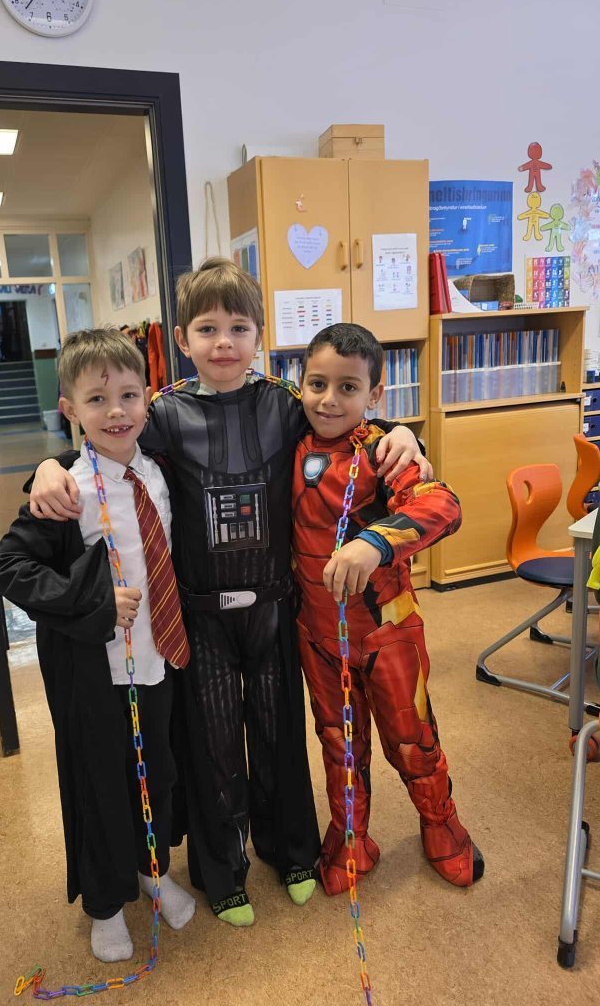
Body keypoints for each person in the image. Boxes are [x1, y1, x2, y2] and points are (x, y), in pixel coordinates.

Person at [27, 258, 428, 926]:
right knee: (212, 744)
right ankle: (222, 871)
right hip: (200, 615)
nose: (223, 343)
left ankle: (291, 851)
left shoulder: (285, 403)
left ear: (259, 336)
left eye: (239, 328)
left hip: (273, 606)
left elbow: (350, 421)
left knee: (278, 733)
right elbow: (106, 446)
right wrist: (47, 463)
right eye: (207, 329)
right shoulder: (162, 413)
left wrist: (404, 434)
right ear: (183, 340)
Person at [0, 328, 196, 963]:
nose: (116, 412)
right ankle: (105, 903)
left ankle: (151, 870)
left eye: (129, 395)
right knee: (101, 783)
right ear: (69, 409)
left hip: (159, 658)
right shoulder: (67, 490)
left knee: (157, 771)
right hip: (95, 674)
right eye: (97, 399)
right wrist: (96, 602)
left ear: (148, 399)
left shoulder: (158, 471)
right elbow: (9, 568)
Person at [293, 323, 484, 893]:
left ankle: (441, 823)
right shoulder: (287, 433)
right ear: (300, 383)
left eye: (348, 387)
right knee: (338, 742)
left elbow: (442, 504)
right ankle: (350, 835)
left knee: (411, 738)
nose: (329, 400)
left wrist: (374, 541)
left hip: (386, 631)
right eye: (317, 384)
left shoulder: (383, 451)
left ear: (375, 393)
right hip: (318, 634)